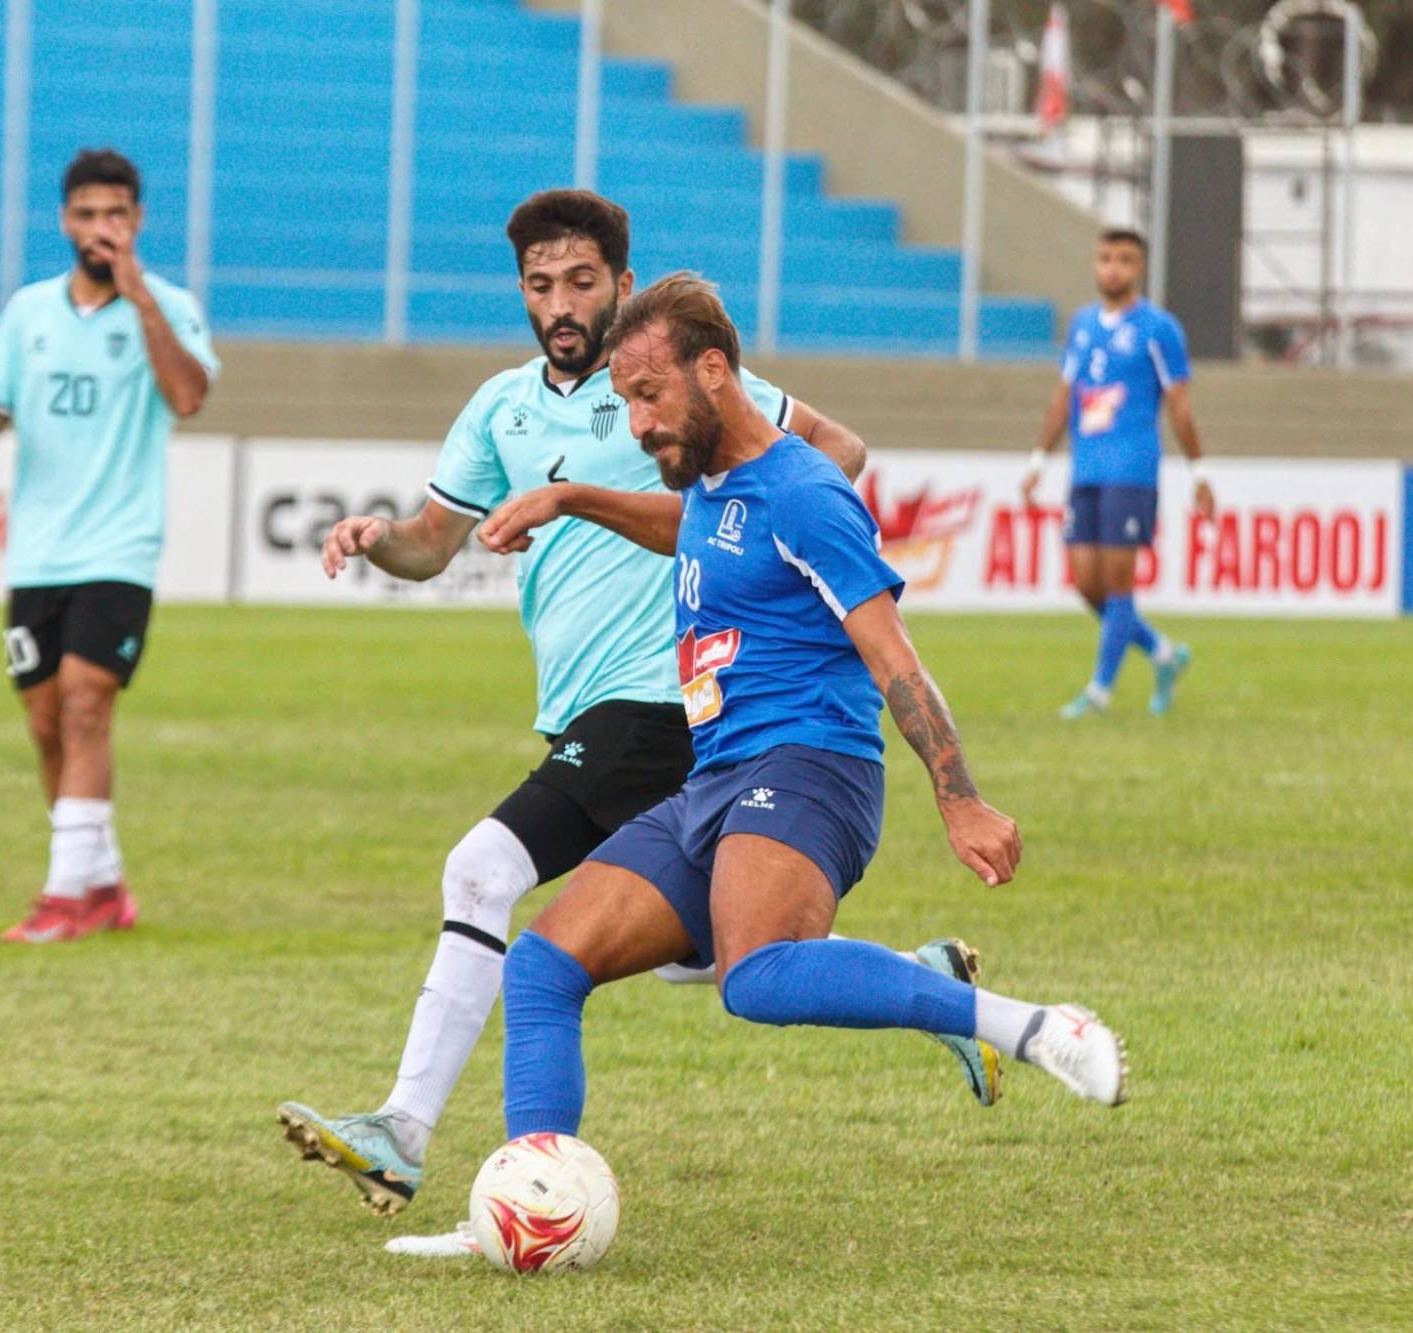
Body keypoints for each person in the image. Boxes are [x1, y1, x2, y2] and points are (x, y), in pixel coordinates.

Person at [276, 194, 1003, 1248]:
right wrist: (373, 536)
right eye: (539, 285)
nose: (560, 304)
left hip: (666, 702)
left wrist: (745, 550)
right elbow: (434, 542)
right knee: (701, 952)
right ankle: (918, 978)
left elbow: (831, 451)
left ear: (620, 281)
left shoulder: (676, 381)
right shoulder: (499, 410)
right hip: (595, 711)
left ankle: (407, 1130)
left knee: (483, 870)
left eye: (580, 281)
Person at [482, 273, 1128, 1174]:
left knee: (757, 977)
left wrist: (962, 800)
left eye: (648, 395)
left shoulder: (807, 493)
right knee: (542, 967)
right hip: (715, 778)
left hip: (812, 765)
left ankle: (1036, 1028)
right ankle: (530, 1198)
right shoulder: (718, 482)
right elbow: (697, 528)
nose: (637, 424)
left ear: (713, 370)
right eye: (626, 402)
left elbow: (895, 657)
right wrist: (570, 497)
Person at [0, 148, 218, 943]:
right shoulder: (28, 310)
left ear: (138, 221)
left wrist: (138, 296)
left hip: (119, 547)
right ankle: (102, 883)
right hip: (38, 550)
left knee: (86, 702)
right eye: (89, 214)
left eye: (118, 215)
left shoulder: (167, 304)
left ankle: (63, 896)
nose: (103, 228)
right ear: (65, 219)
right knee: (45, 723)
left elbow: (189, 395)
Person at [1023, 228, 1213, 719]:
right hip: (1085, 469)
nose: (1113, 268)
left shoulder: (1159, 329)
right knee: (1087, 582)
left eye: (1125, 260)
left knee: (1118, 577)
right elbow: (1063, 397)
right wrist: (1038, 460)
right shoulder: (1083, 324)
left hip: (1132, 470)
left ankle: (1100, 691)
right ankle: (1164, 654)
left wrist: (1199, 471)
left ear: (1139, 268)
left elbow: (1180, 404)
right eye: (1106, 258)